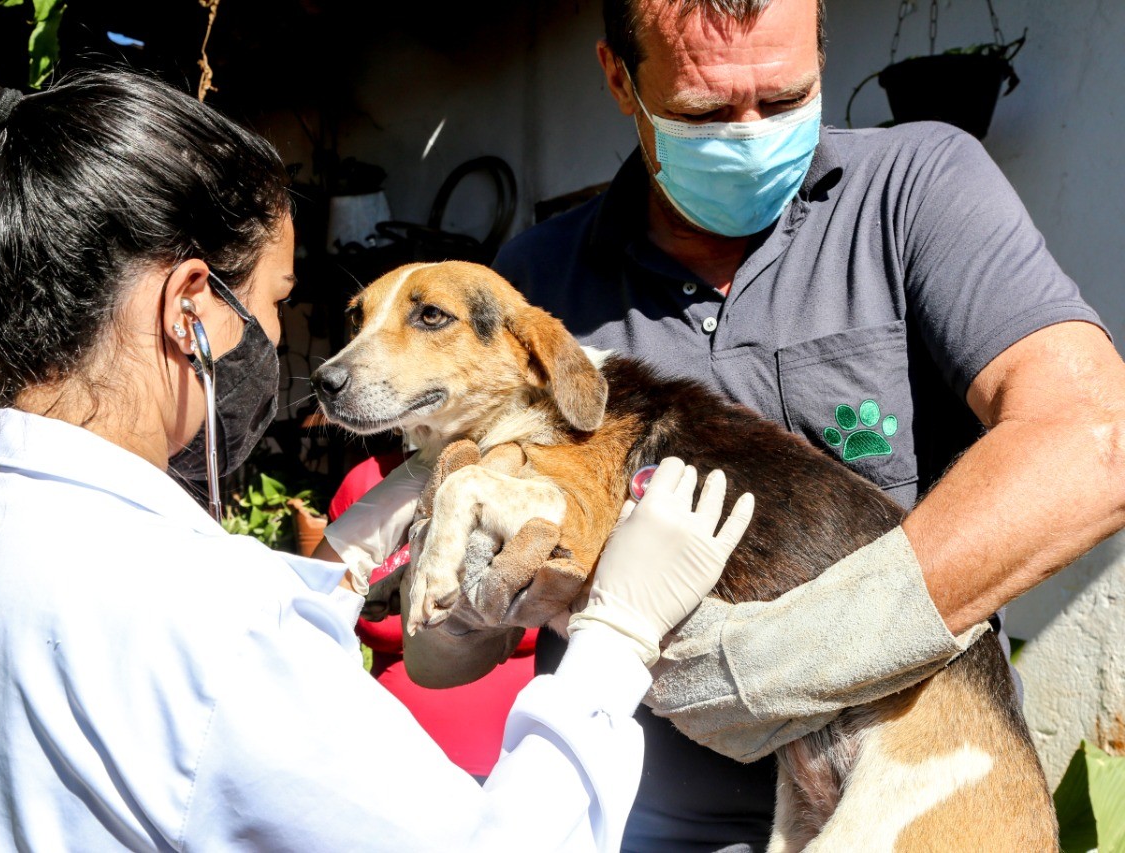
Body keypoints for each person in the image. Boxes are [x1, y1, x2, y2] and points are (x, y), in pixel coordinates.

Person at [0, 67, 758, 852]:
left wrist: (327, 574)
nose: (295, 350)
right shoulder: (208, 619)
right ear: (190, 307)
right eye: (280, 299)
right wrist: (614, 643)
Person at [351, 0, 1123, 850]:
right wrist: (464, 613)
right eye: (705, 112)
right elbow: (441, 656)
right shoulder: (538, 284)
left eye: (786, 97)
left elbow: (1095, 438)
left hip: (903, 790)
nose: (751, 133)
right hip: (636, 822)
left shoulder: (919, 186)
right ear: (619, 79)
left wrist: (781, 662)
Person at [327, 451, 541, 781]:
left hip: (520, 768)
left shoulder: (543, 483)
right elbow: (316, 618)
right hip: (387, 762)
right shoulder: (368, 481)